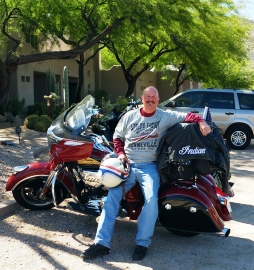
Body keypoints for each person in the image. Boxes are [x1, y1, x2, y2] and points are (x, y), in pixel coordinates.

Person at [81, 86, 211, 260]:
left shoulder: (165, 116)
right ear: (142, 99)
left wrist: (201, 121)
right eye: (148, 97)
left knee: (151, 200)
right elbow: (117, 137)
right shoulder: (129, 116)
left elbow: (189, 116)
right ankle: (101, 243)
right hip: (127, 164)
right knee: (112, 197)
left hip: (149, 166)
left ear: (158, 100)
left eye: (154, 97)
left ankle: (142, 243)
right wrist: (120, 154)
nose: (151, 100)